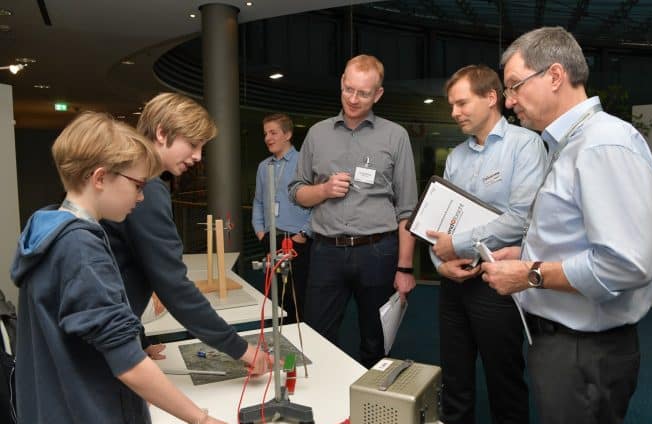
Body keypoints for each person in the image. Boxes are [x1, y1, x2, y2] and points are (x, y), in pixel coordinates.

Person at [10, 112, 245, 424]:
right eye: (137, 185)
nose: (140, 197)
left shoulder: (48, 227)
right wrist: (202, 420)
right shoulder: (80, 249)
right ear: (101, 178)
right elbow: (128, 364)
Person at [481, 26, 652, 424]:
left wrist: (530, 274)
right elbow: (575, 235)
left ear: (556, 75)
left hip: (585, 351)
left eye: (514, 86)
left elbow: (626, 264)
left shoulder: (602, 144)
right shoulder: (571, 144)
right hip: (568, 345)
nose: (508, 101)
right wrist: (523, 257)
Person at [426, 65, 545, 424]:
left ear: (491, 97)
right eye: (452, 105)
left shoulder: (525, 145)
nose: (454, 112)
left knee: (504, 383)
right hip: (453, 285)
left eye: (462, 102)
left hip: (498, 283)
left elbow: (519, 219)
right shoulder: (457, 156)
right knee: (456, 383)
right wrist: (438, 263)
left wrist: (454, 243)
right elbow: (437, 223)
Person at [101, 92, 271, 372]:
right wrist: (241, 349)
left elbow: (123, 263)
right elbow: (173, 285)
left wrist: (138, 338)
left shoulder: (127, 174)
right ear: (161, 132)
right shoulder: (147, 186)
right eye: (192, 144)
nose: (197, 156)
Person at [289, 54, 417, 368]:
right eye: (348, 89)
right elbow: (296, 192)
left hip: (378, 252)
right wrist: (323, 190)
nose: (353, 99)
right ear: (342, 83)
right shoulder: (318, 134)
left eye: (363, 93)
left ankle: (371, 411)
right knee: (317, 337)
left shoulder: (395, 136)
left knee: (375, 342)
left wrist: (405, 269)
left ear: (378, 94)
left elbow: (407, 210)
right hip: (326, 252)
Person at [252, 113, 312, 322]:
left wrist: (305, 233)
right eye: (265, 133)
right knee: (273, 301)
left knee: (297, 301)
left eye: (273, 132)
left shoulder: (304, 162)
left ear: (287, 134)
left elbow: (319, 203)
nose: (268, 138)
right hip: (270, 239)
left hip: (297, 241)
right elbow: (258, 202)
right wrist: (260, 231)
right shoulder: (263, 166)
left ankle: (297, 353)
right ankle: (278, 350)